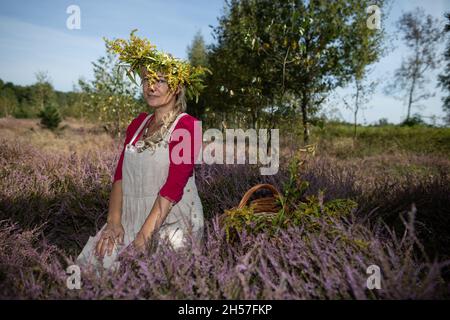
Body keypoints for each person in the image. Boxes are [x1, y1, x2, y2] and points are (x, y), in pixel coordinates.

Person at [76, 31, 208, 271]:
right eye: (146, 80)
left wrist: (143, 239)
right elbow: (119, 176)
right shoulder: (137, 124)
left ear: (176, 87)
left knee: (151, 277)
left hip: (171, 219)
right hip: (128, 215)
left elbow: (173, 189)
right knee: (93, 270)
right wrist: (114, 222)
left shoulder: (188, 126)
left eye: (160, 80)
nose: (151, 86)